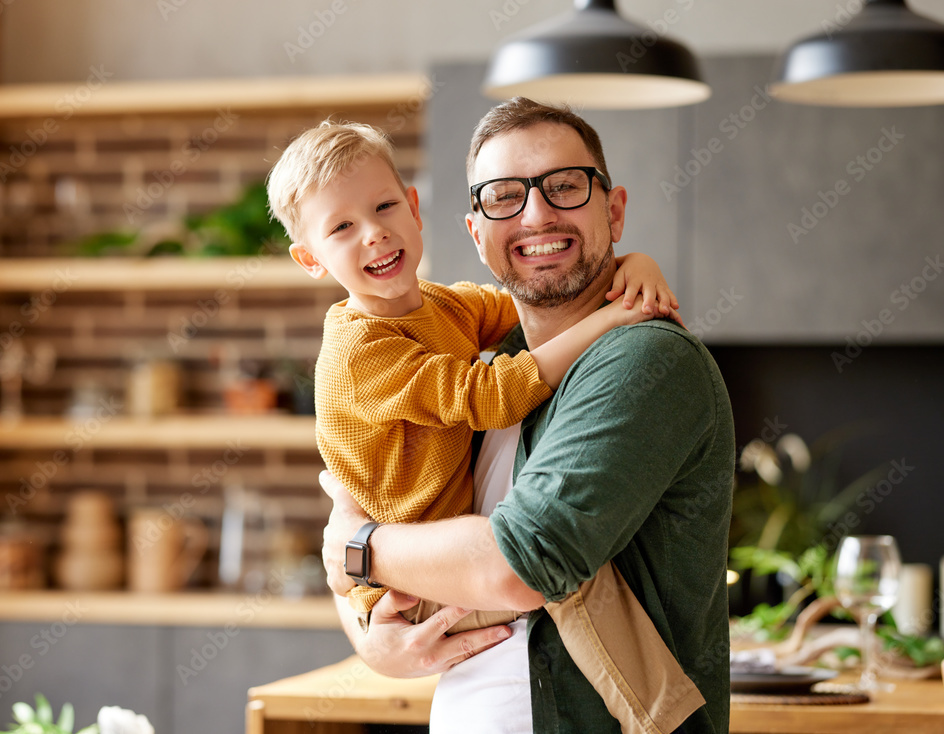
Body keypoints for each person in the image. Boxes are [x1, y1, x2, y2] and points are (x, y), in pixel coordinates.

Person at [266, 120, 702, 731]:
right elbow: (491, 399)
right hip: (418, 603)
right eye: (505, 197)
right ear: (311, 258)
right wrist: (362, 599)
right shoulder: (363, 352)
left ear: (415, 209)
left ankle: (663, 714)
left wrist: (635, 263)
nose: (373, 233)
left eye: (566, 188)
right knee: (576, 589)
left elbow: (513, 566)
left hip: (435, 599)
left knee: (576, 585)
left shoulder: (463, 314)